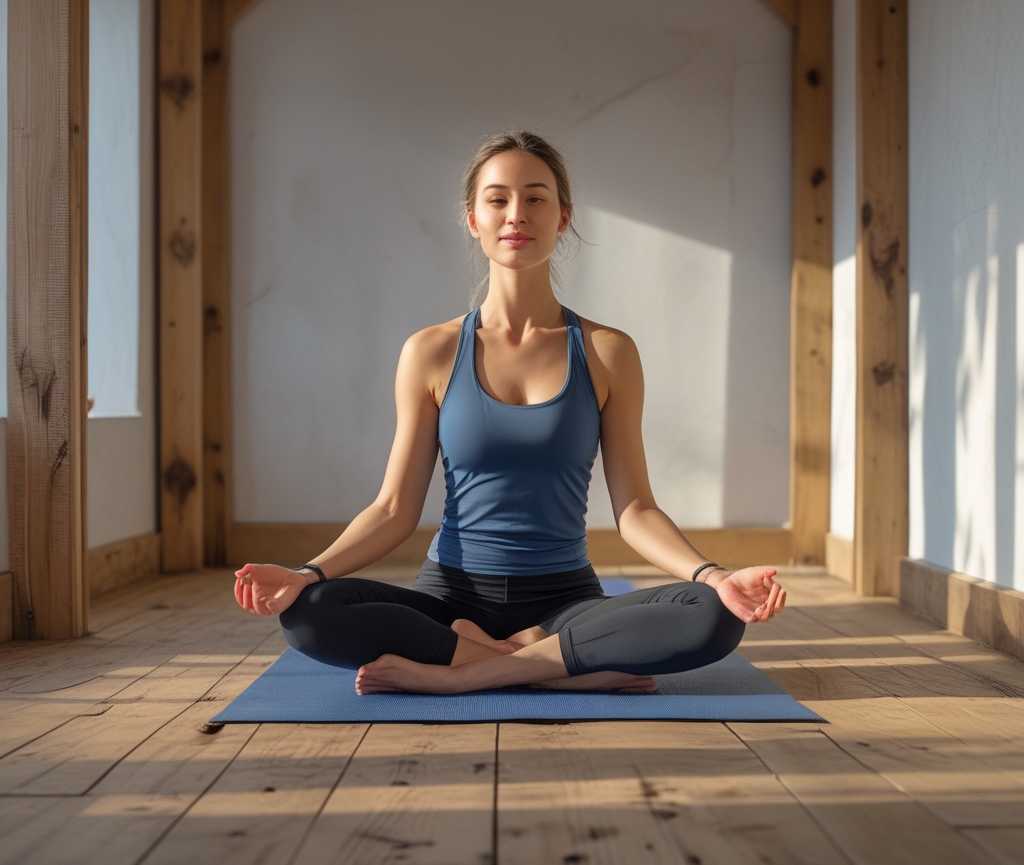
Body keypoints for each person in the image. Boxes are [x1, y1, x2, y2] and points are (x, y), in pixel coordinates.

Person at [234, 131, 786, 696]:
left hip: (565, 604)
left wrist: (715, 576)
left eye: (536, 198)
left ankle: (463, 674)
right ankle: (561, 670)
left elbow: (637, 509)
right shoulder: (431, 351)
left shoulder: (607, 352)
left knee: (712, 612)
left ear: (563, 217)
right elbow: (394, 508)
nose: (516, 214)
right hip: (449, 599)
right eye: (497, 199)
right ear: (473, 219)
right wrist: (305, 574)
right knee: (308, 612)